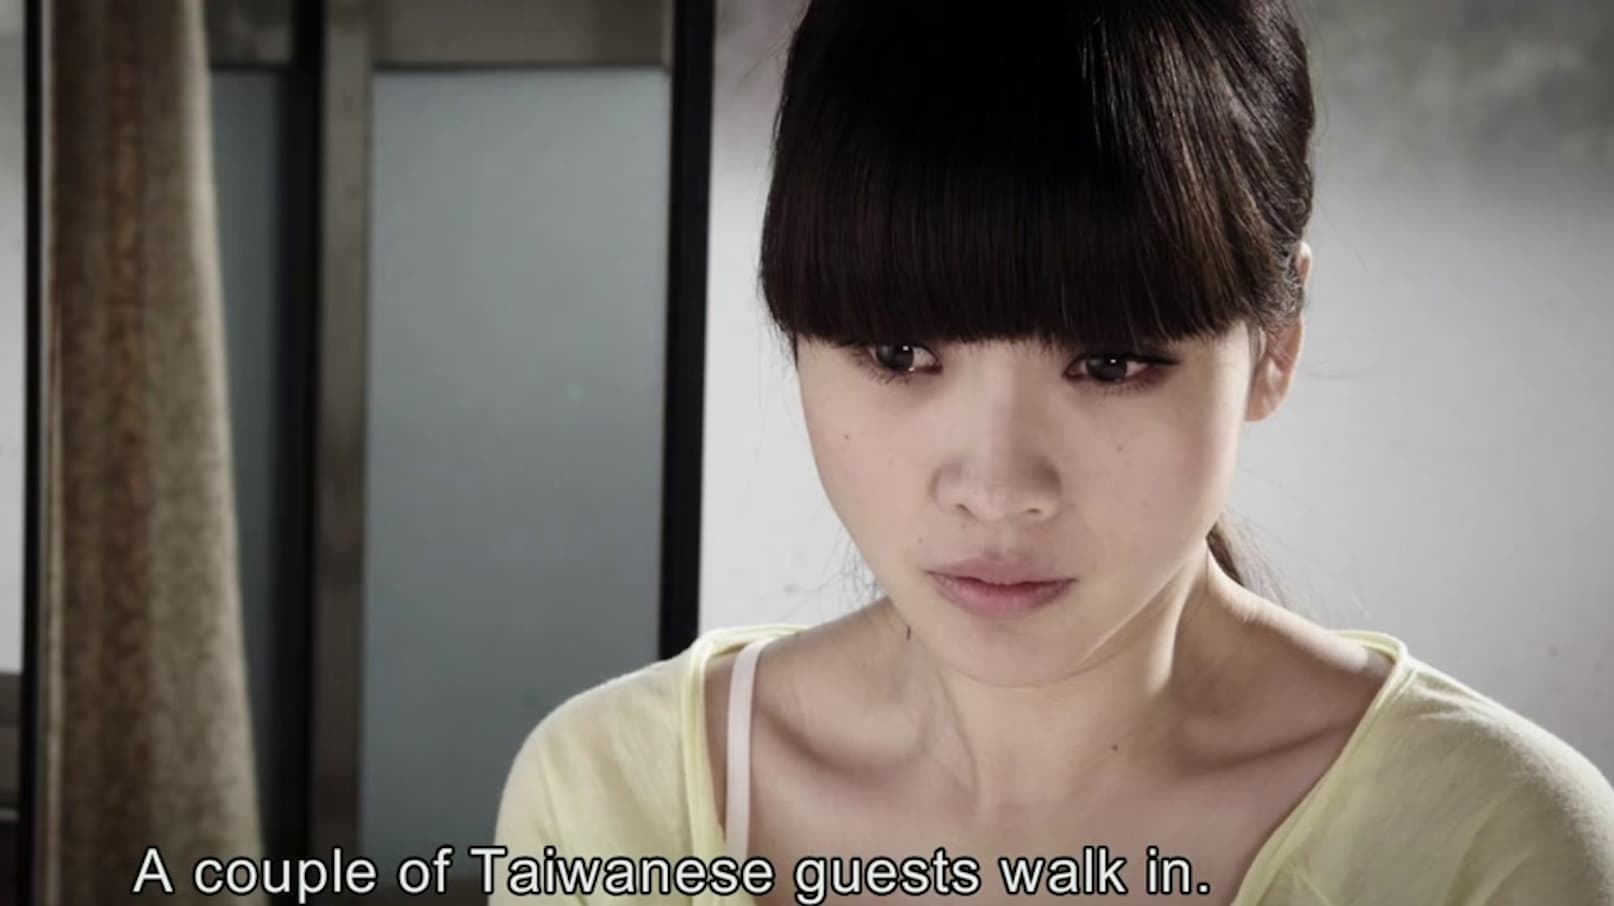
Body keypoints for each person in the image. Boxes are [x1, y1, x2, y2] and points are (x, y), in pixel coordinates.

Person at [490, 1, 1614, 903]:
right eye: (899, 353)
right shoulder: (615, 800)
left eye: (1111, 364)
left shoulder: (1490, 846)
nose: (996, 487)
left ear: (1276, 344)